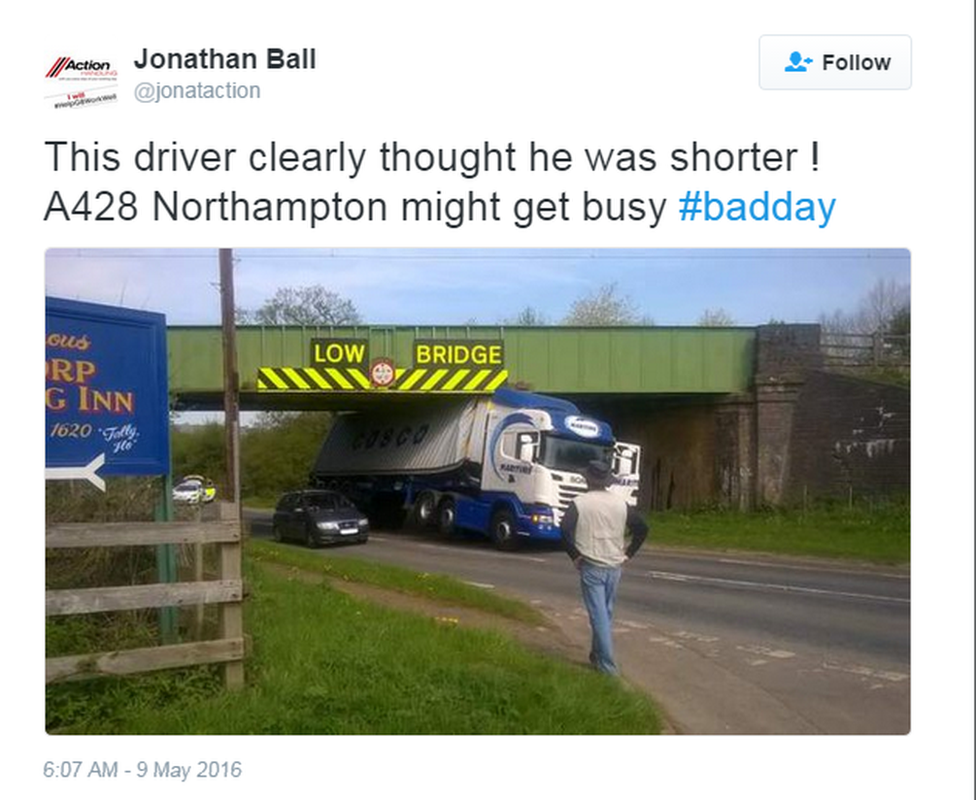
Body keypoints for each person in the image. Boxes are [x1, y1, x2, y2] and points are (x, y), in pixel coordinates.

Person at [560, 459, 649, 675]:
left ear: (586, 480)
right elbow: (642, 528)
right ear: (607, 481)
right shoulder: (621, 503)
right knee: (605, 613)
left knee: (598, 615)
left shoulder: (580, 503)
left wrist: (575, 555)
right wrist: (629, 553)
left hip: (591, 565)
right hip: (615, 566)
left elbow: (565, 530)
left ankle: (608, 668)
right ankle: (597, 655)